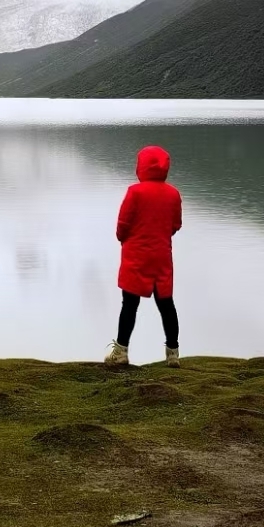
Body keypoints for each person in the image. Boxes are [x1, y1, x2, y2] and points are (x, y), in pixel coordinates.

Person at [105, 145, 183, 368]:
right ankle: (173, 354)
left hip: (136, 256)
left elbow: (123, 224)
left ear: (141, 166)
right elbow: (176, 224)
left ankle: (120, 352)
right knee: (166, 304)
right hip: (161, 255)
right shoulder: (173, 193)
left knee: (129, 305)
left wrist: (124, 239)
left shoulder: (135, 192)